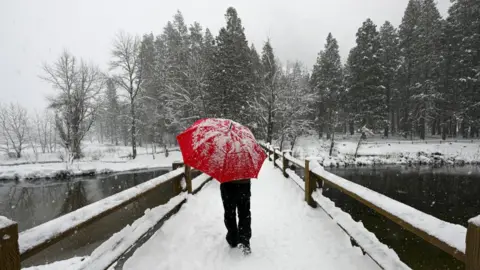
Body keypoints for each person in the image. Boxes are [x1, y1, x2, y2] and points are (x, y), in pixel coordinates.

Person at [220, 178, 252, 255]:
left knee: (229, 213)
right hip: (244, 184)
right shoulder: (245, 165)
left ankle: (233, 238)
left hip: (227, 185)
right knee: (244, 213)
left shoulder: (224, 166)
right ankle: (244, 240)